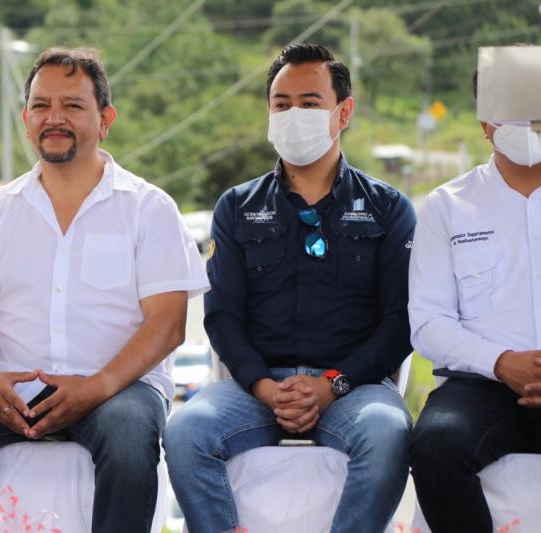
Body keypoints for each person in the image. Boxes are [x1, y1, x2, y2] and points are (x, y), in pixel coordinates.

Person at [0, 47, 208, 533]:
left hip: (118, 389)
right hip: (12, 388)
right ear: (25, 119)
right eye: (41, 106)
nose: (54, 118)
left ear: (105, 119)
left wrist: (98, 385)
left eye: (72, 105)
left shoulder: (149, 209)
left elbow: (167, 325)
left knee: (128, 439)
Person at [163, 43, 416, 533]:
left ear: (343, 113)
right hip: (258, 390)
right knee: (186, 432)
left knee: (389, 433)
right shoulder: (236, 207)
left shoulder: (388, 208)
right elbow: (222, 316)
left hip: (353, 389)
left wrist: (332, 385)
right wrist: (264, 387)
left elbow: (400, 322)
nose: (293, 114)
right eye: (281, 105)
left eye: (309, 103)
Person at [409, 64, 541, 532]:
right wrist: (501, 362)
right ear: (486, 122)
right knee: (435, 444)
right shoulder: (447, 205)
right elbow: (429, 322)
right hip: (482, 385)